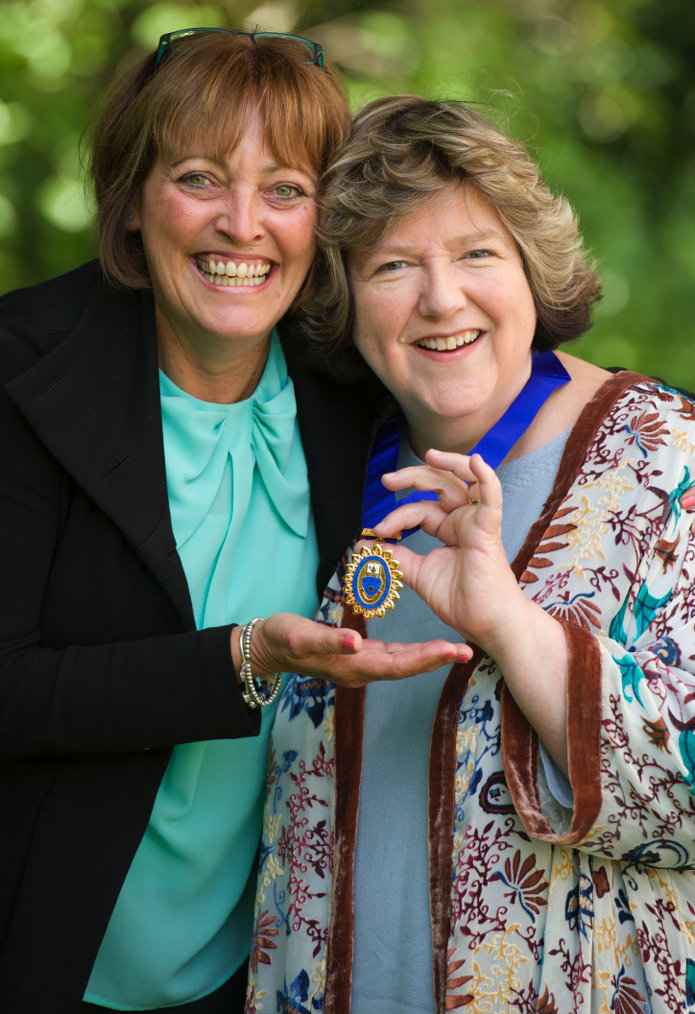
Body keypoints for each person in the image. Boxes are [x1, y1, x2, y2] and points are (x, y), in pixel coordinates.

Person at [0, 39, 469, 1013]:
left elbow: (495, 328)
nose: (241, 225)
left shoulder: (351, 386)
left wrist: (646, 413)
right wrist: (244, 658)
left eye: (285, 188)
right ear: (134, 199)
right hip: (43, 956)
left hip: (259, 968)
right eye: (199, 177)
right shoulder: (21, 374)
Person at [247, 95, 695, 1014]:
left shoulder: (668, 459)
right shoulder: (323, 468)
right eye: (393, 266)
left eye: (476, 254)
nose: (440, 299)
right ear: (345, 297)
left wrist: (508, 621)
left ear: (532, 270)